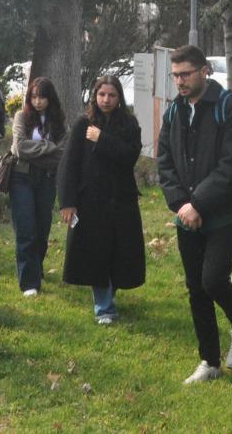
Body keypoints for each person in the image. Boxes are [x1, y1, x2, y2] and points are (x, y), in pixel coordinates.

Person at [157, 44, 232, 384]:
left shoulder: (229, 108)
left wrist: (198, 204)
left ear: (204, 71)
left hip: (225, 212)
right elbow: (165, 160)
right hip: (186, 214)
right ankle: (209, 361)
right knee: (196, 289)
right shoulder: (174, 111)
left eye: (185, 74)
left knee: (213, 280)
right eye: (175, 76)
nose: (180, 81)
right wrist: (181, 204)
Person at [58, 74, 145, 324]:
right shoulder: (83, 123)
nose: (106, 100)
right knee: (96, 253)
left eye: (112, 95)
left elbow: (129, 156)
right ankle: (104, 307)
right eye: (102, 94)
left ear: (119, 97)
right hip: (91, 201)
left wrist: (102, 139)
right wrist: (67, 202)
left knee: (119, 252)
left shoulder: (129, 124)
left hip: (121, 200)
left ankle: (109, 293)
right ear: (95, 96)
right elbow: (70, 164)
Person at [9, 76, 66, 296]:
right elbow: (19, 148)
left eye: (42, 97)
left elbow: (62, 153)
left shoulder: (59, 121)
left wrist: (37, 152)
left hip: (47, 179)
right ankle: (29, 282)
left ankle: (36, 267)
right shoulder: (21, 117)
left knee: (42, 229)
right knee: (26, 229)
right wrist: (48, 147)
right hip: (21, 177)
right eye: (34, 96)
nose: (38, 101)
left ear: (50, 98)